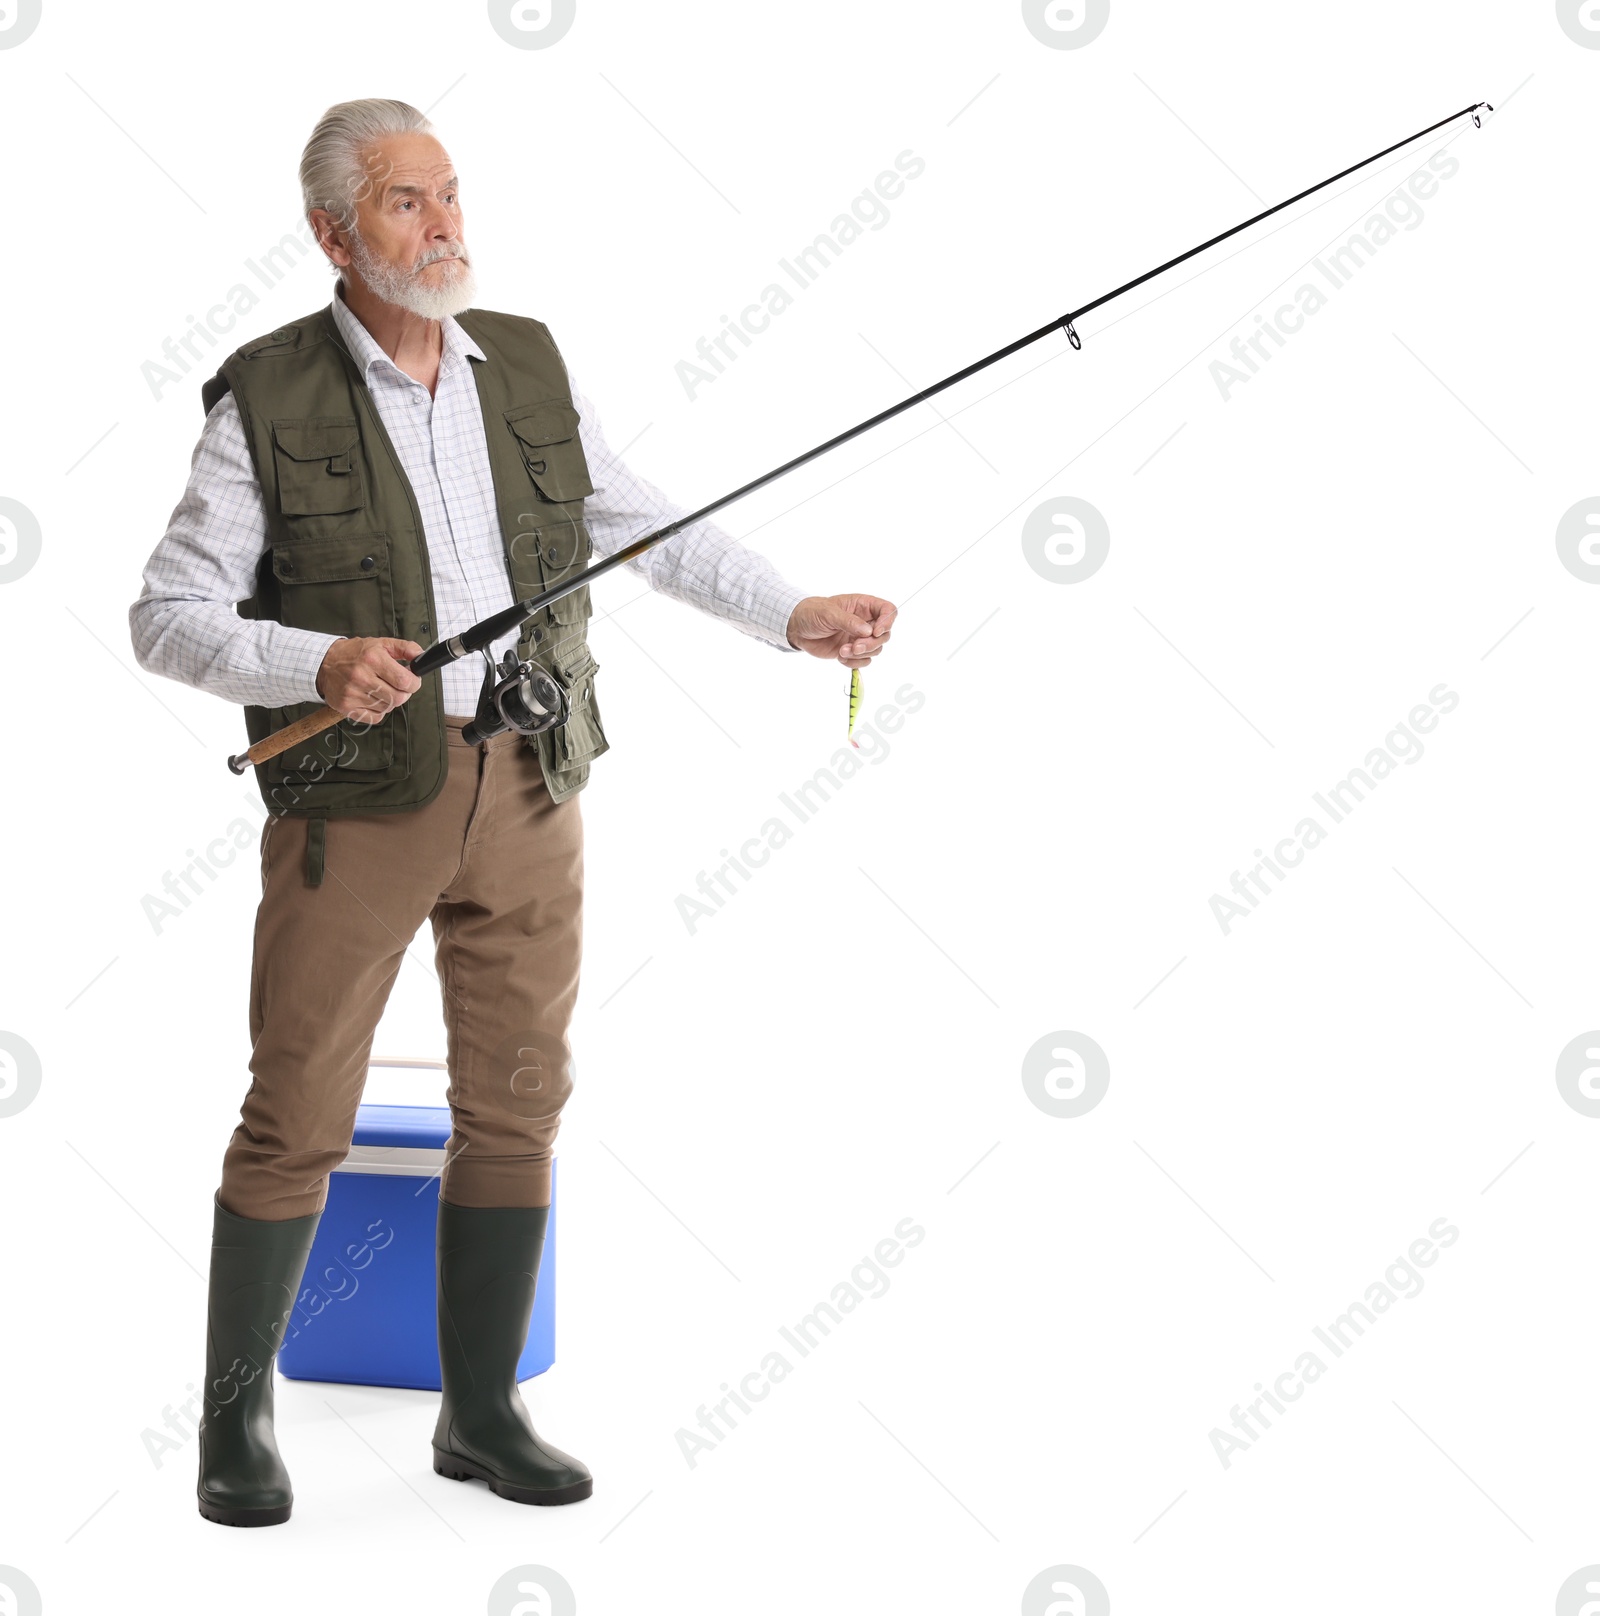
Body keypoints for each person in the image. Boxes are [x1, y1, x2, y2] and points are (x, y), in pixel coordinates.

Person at [128, 97, 896, 1527]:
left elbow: (643, 521)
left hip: (532, 785)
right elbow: (165, 617)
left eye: (449, 193)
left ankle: (480, 1414)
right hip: (356, 806)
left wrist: (793, 613)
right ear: (334, 235)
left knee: (520, 1102)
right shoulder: (268, 395)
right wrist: (319, 661)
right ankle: (234, 1434)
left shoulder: (526, 363)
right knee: (297, 1109)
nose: (445, 225)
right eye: (408, 204)